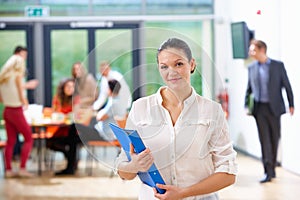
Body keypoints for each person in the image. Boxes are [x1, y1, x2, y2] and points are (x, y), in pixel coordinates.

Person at [115, 38, 237, 200]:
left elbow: (228, 173)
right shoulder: (141, 108)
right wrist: (134, 165)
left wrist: (184, 193)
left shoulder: (212, 110)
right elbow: (124, 172)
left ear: (192, 64)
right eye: (164, 66)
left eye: (178, 64)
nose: (171, 72)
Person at [244, 39, 294, 183]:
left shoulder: (278, 66)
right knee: (264, 140)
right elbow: (249, 89)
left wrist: (291, 104)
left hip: (275, 108)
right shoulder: (252, 68)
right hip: (260, 109)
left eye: (253, 50)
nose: (250, 53)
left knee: (274, 139)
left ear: (262, 50)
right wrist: (246, 105)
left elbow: (287, 85)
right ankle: (268, 171)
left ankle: (272, 167)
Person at [0, 46, 35, 178]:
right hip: (16, 110)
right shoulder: (16, 75)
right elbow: (20, 91)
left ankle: (8, 170)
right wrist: (24, 102)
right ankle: (22, 168)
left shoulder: (3, 78)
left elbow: (1, 98)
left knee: (10, 141)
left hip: (7, 110)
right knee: (28, 138)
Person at [46, 78, 80, 175]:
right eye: (68, 87)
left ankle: (70, 167)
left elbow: (76, 114)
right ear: (63, 88)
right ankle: (71, 160)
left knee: (72, 138)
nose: (70, 89)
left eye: (72, 87)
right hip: (60, 128)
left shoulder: (76, 98)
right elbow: (55, 112)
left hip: (73, 130)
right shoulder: (58, 98)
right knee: (50, 143)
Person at [71, 61, 98, 126]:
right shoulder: (77, 81)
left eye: (79, 69)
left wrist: (80, 102)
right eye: (75, 69)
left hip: (89, 109)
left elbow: (95, 96)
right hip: (79, 109)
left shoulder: (89, 79)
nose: (77, 71)